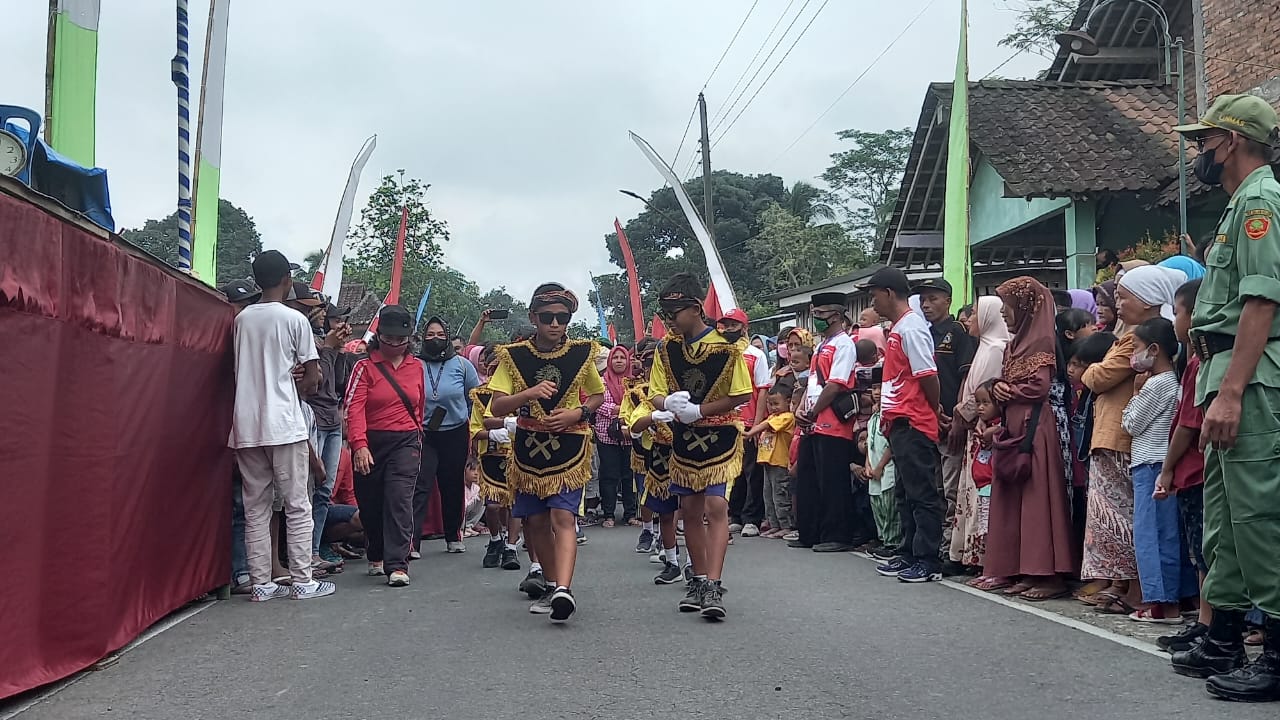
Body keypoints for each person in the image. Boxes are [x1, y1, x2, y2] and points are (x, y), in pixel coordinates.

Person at [1171, 94, 1280, 701]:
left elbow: (1262, 302)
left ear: (1233, 141)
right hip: (1225, 370)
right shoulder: (1239, 205)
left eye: (1204, 142)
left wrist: (1233, 391)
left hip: (1252, 375)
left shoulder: (1261, 202)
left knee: (1259, 516)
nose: (1199, 154)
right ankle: (1226, 635)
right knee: (1229, 519)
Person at [488, 283, 605, 623]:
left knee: (563, 517)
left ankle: (564, 589)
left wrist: (578, 413)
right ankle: (552, 583)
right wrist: (529, 393)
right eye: (547, 317)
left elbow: (596, 396)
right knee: (535, 520)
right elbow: (496, 404)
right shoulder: (513, 357)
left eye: (562, 317)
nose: (555, 324)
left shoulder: (582, 355)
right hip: (528, 448)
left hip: (569, 445)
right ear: (533, 318)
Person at [230, 250, 334, 601]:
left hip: (246, 423)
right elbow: (313, 379)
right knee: (297, 503)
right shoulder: (294, 320)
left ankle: (262, 583)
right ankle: (303, 580)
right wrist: (301, 380)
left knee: (255, 505)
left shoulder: (242, 320)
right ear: (287, 281)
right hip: (284, 422)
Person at [1080, 265, 1185, 613]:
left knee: (1145, 528)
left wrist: (1127, 388)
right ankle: (1144, 592)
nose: (1118, 303)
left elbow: (1097, 377)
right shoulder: (1130, 337)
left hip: (1141, 451)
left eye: (1125, 297)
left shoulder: (1145, 357)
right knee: (1144, 527)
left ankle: (1151, 596)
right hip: (1141, 451)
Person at [650, 273, 753, 619]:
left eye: (674, 313)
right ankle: (696, 577)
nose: (669, 321)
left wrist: (700, 410)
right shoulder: (667, 349)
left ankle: (713, 582)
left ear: (695, 309)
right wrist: (669, 403)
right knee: (690, 510)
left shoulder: (727, 348)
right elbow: (654, 392)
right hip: (684, 439)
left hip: (720, 436)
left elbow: (741, 393)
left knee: (715, 506)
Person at [985, 277, 1077, 600]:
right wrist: (998, 387)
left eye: (1007, 307)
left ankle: (1048, 574)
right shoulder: (1014, 343)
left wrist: (1007, 390)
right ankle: (1021, 568)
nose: (1004, 314)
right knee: (1017, 499)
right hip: (1016, 425)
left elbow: (1038, 388)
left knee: (1038, 500)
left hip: (1037, 429)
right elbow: (1007, 384)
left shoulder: (1041, 341)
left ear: (1024, 307)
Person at [858, 268, 943, 583]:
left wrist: (932, 411)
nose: (873, 302)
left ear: (889, 293)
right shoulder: (898, 328)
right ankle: (908, 552)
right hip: (899, 420)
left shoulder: (911, 329)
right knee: (905, 494)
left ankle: (928, 559)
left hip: (913, 420)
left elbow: (928, 376)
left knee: (922, 493)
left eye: (874, 294)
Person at [344, 304, 426, 587]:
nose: (394, 344)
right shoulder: (364, 367)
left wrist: (417, 435)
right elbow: (353, 408)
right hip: (370, 440)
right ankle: (376, 551)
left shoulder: (417, 367)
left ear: (409, 338)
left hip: (405, 440)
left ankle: (398, 564)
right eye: (388, 339)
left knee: (399, 499)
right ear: (379, 336)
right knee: (370, 503)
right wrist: (359, 445)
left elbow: (420, 405)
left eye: (399, 339)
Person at [1122, 317, 1194, 624]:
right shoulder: (1174, 383)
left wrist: (1135, 394)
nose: (1133, 355)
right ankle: (1183, 597)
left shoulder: (1155, 383)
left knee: (1151, 533)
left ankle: (1161, 602)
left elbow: (1131, 423)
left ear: (1154, 349)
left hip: (1150, 462)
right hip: (1161, 461)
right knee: (1170, 533)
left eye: (1136, 347)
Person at [1156, 279, 1209, 651]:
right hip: (1196, 470)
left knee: (1205, 551)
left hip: (1195, 469)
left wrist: (1167, 467)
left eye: (1177, 312)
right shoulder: (1193, 360)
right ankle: (1207, 622)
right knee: (1202, 551)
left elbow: (1188, 425)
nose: (1175, 321)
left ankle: (1211, 623)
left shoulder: (1195, 363)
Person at [794, 291, 865, 554]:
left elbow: (835, 385)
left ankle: (837, 534)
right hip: (812, 420)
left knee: (832, 479)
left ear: (835, 315)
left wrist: (813, 412)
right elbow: (812, 381)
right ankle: (810, 531)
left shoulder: (844, 344)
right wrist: (802, 409)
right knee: (809, 478)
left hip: (831, 422)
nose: (816, 319)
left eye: (820, 315)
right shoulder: (822, 345)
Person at [913, 278, 977, 561]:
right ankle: (932, 542)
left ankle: (950, 548)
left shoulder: (958, 332)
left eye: (933, 299)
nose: (927, 305)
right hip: (926, 421)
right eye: (923, 300)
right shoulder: (921, 333)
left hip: (951, 422)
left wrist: (957, 416)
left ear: (948, 300)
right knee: (930, 487)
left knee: (951, 489)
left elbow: (965, 375)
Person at [949, 296, 1011, 576]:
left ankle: (982, 555)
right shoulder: (985, 347)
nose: (969, 319)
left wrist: (963, 417)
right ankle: (970, 553)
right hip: (976, 427)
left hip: (985, 428)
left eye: (974, 314)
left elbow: (983, 394)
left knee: (982, 493)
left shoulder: (997, 349)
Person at [413, 316, 481, 555]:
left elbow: (475, 397)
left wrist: (472, 426)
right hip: (424, 433)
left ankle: (453, 535)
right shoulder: (414, 363)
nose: (435, 339)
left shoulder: (462, 365)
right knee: (420, 484)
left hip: (455, 431)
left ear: (448, 338)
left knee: (452, 484)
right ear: (423, 337)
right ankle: (412, 542)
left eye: (440, 335)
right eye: (430, 335)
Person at [470, 344, 523, 572]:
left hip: (516, 457)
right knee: (492, 506)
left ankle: (511, 546)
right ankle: (495, 540)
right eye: (492, 369)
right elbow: (474, 430)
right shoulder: (481, 397)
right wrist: (493, 431)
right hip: (491, 457)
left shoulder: (519, 394)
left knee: (514, 505)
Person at [720, 309, 772, 538]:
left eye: (734, 325)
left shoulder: (755, 355)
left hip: (749, 421)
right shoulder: (720, 352)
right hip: (725, 421)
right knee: (731, 471)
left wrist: (757, 423)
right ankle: (735, 515)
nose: (729, 329)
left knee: (752, 470)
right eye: (726, 325)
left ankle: (752, 517)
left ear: (744, 328)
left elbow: (762, 391)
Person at [960, 379, 1001, 583]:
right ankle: (987, 567)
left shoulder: (1000, 429)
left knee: (994, 528)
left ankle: (994, 570)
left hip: (994, 485)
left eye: (987, 402)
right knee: (985, 529)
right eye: (978, 403)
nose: (981, 407)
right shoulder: (982, 427)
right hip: (983, 485)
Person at [744, 386, 796, 540]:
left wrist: (750, 432)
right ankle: (774, 524)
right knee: (768, 495)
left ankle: (786, 525)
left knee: (780, 495)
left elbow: (766, 426)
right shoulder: (772, 417)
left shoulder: (787, 417)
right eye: (770, 404)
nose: (773, 408)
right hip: (768, 462)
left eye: (776, 404)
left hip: (780, 463)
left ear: (788, 402)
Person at [595, 344, 636, 528]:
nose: (619, 361)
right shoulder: (601, 381)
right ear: (610, 361)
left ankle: (630, 514)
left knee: (629, 474)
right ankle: (609, 514)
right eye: (616, 358)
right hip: (606, 434)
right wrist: (620, 410)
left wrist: (627, 412)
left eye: (622, 358)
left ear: (628, 361)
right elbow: (598, 403)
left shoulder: (634, 381)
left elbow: (640, 402)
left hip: (630, 433)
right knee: (609, 474)